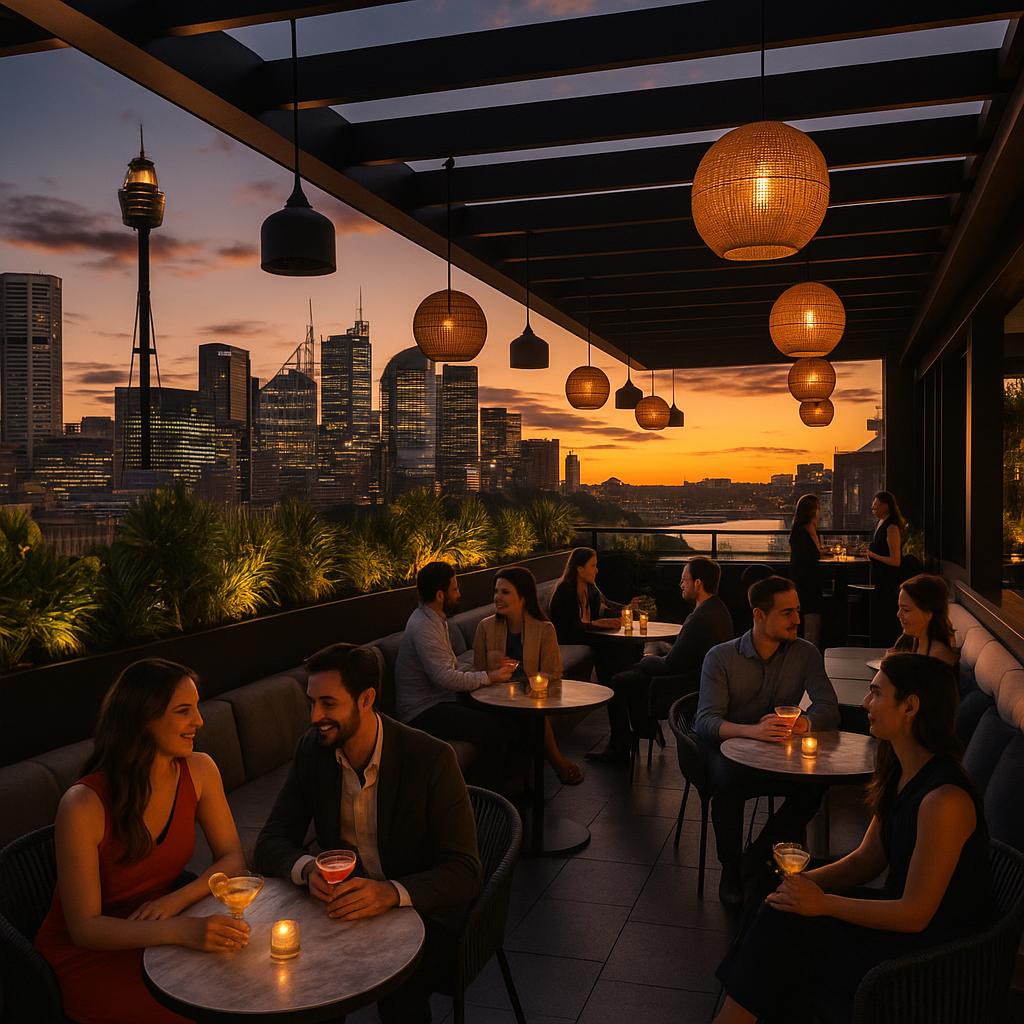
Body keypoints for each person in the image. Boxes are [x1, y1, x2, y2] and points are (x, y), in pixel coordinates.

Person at [714, 654, 991, 1024]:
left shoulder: (945, 800)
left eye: (876, 694)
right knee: (775, 901)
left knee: (788, 931)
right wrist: (803, 883)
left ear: (910, 706)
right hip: (901, 924)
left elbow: (916, 914)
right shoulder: (901, 772)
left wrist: (824, 903)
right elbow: (865, 861)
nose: (865, 704)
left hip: (933, 955)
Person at [255, 643, 482, 1024]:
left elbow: (464, 871)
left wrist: (389, 893)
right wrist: (309, 870)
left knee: (401, 996)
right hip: (342, 912)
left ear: (367, 699)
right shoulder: (314, 750)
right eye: (311, 702)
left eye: (328, 703)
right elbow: (270, 841)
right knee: (305, 985)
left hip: (420, 913)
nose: (315, 716)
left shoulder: (429, 759)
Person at [35, 659, 249, 1024]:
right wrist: (178, 931)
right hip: (96, 954)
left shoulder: (199, 771)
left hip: (162, 931)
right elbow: (85, 928)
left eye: (197, 708)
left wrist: (176, 900)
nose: (199, 721)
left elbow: (233, 859)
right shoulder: (83, 805)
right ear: (141, 719)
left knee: (246, 982)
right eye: (184, 711)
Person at [696, 576, 840, 905]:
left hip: (778, 754)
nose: (797, 620)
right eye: (787, 613)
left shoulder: (805, 653)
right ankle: (731, 870)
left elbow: (828, 706)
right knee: (728, 786)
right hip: (729, 753)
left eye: (798, 611)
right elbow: (705, 722)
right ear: (759, 616)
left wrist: (804, 722)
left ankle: (758, 855)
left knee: (814, 784)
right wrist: (752, 731)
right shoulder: (720, 657)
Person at [595, 557, 734, 763]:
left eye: (684, 580)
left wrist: (646, 659)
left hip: (685, 687)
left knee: (620, 681)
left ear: (698, 583)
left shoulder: (700, 618)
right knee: (637, 671)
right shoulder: (718, 609)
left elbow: (671, 665)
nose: (681, 584)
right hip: (698, 678)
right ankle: (645, 726)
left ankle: (621, 747)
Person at [394, 560, 515, 788]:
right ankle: (486, 796)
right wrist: (489, 677)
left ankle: (512, 781)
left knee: (505, 711)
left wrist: (486, 672)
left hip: (441, 701)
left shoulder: (435, 619)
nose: (459, 594)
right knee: (492, 729)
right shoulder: (423, 626)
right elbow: (445, 677)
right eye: (455, 589)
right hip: (422, 711)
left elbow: (451, 666)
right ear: (440, 595)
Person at [472, 566, 583, 784]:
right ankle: (556, 763)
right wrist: (492, 666)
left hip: (529, 693)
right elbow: (477, 671)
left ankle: (520, 777)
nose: (497, 597)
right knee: (528, 717)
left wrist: (533, 682)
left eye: (505, 592)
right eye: (496, 591)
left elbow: (554, 671)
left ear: (523, 597)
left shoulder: (543, 629)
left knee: (532, 712)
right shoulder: (485, 627)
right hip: (496, 695)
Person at [548, 548, 637, 758]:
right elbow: (567, 629)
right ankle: (623, 734)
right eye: (593, 565)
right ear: (579, 569)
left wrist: (627, 608)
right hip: (569, 638)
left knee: (621, 654)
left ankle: (623, 732)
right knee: (613, 658)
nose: (597, 570)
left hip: (588, 636)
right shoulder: (564, 592)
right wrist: (597, 624)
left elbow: (607, 607)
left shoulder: (591, 589)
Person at [889, 574, 959, 669]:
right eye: (899, 608)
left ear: (928, 613)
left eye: (906, 610)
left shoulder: (938, 659)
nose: (898, 614)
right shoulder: (908, 640)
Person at [865, 490, 905, 646]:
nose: (873, 507)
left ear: (886, 506)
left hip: (888, 581)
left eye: (876, 504)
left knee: (886, 616)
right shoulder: (880, 523)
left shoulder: (892, 527)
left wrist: (872, 555)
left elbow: (895, 561)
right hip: (880, 579)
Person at [788, 493, 825, 648]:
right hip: (806, 579)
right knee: (810, 611)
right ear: (812, 511)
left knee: (807, 611)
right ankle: (810, 646)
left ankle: (808, 644)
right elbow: (814, 554)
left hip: (803, 577)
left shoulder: (801, 529)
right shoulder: (804, 531)